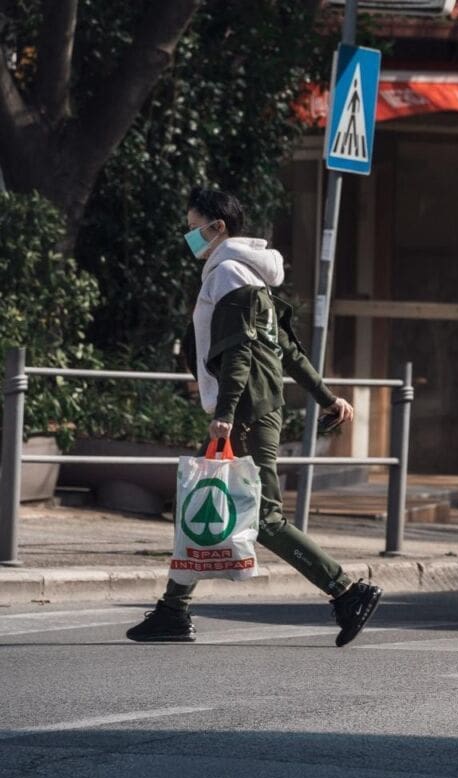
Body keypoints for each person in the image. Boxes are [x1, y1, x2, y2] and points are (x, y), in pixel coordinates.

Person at [127, 187, 382, 647]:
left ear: (217, 227)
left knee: (263, 517)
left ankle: (347, 591)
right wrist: (326, 397)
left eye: (193, 227)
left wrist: (224, 414)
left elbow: (240, 352)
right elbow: (287, 350)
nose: (189, 236)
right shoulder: (253, 280)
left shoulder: (225, 275)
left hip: (244, 413)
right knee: (207, 505)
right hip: (257, 409)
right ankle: (172, 610)